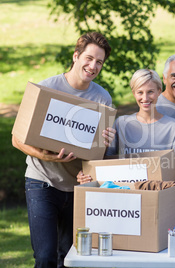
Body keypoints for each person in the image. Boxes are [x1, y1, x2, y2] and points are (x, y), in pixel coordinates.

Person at [11, 32, 115, 268]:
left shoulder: (102, 98)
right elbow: (17, 139)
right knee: (45, 256)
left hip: (78, 186)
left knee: (70, 258)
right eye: (89, 58)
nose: (93, 66)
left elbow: (97, 153)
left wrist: (105, 140)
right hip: (42, 181)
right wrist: (45, 156)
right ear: (76, 56)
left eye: (99, 62)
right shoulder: (46, 89)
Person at [79, 69, 175, 207]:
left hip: (160, 198)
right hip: (126, 199)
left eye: (150, 92)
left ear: (159, 91)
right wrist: (87, 174)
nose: (145, 98)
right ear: (133, 93)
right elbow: (106, 161)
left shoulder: (173, 126)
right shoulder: (122, 123)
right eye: (140, 92)